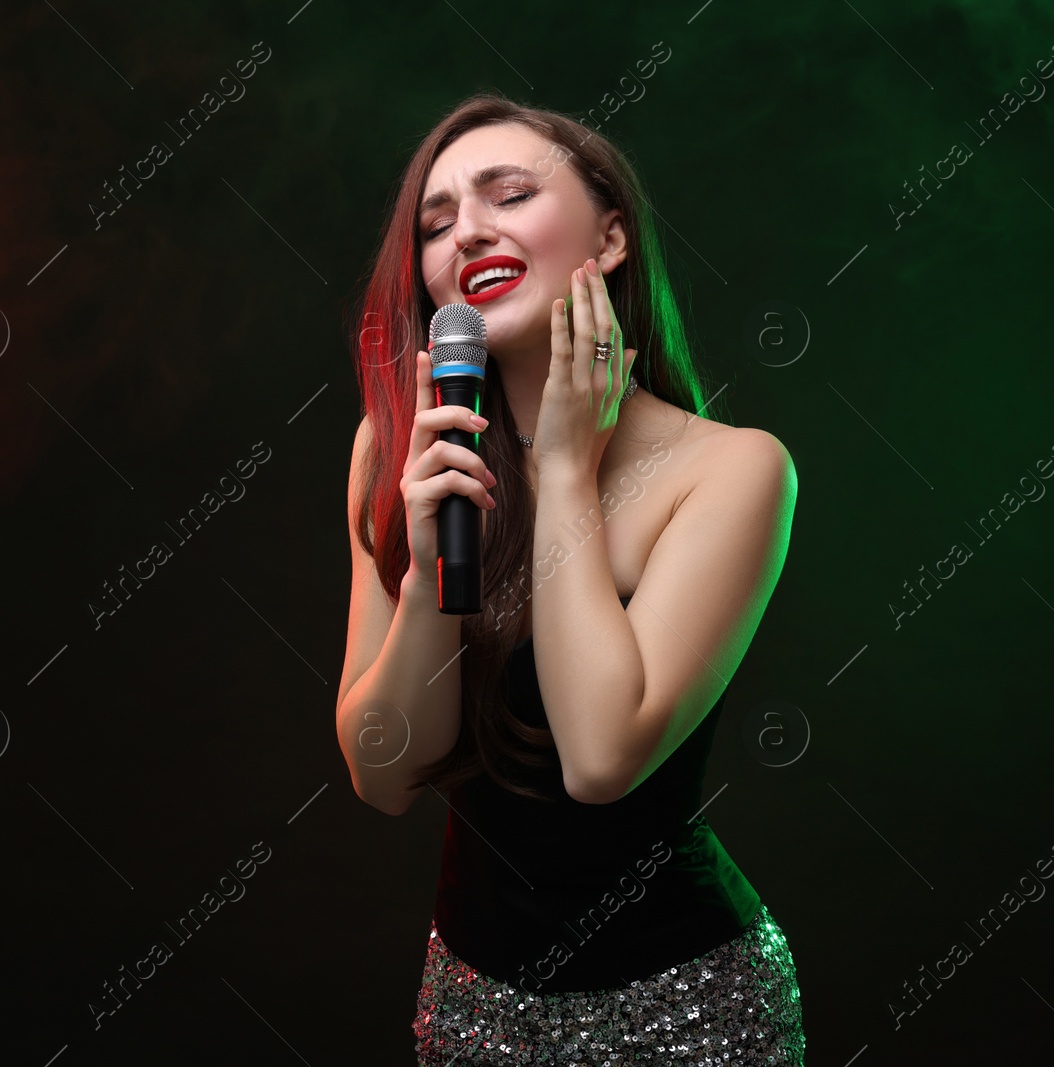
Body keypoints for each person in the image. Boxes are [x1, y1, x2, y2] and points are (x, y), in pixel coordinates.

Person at [336, 92, 803, 1064]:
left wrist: (562, 469)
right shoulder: (391, 448)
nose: (468, 230)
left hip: (687, 1010)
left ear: (611, 237)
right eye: (437, 221)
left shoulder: (733, 468)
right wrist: (427, 576)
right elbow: (381, 771)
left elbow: (600, 760)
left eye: (509, 194)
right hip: (474, 1011)